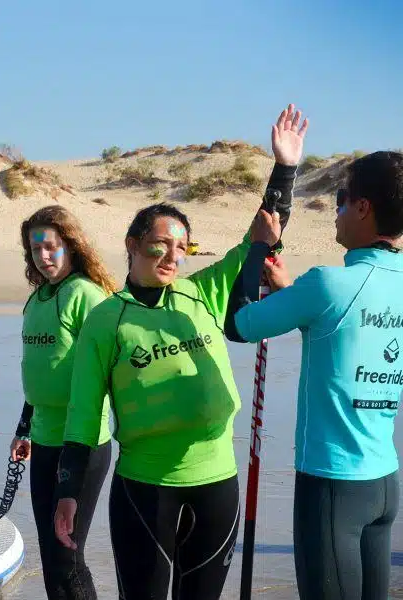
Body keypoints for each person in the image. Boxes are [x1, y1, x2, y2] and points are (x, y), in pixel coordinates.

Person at [53, 104, 308, 600]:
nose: (172, 256)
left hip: (218, 483)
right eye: (159, 244)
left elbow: (264, 234)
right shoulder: (107, 319)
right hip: (145, 491)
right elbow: (83, 418)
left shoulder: (203, 293)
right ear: (132, 244)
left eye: (182, 248)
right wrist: (68, 493)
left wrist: (285, 169)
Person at [225, 150, 403, 600]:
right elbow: (346, 328)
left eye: (342, 199)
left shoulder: (327, 283)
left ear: (364, 207)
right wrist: (291, 296)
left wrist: (258, 246)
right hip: (384, 482)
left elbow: (239, 323)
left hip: (331, 485)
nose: (337, 212)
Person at [9, 205, 116, 600]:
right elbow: (38, 373)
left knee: (65, 555)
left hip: (82, 443)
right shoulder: (37, 300)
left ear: (71, 246)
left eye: (51, 247)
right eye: (36, 250)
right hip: (44, 440)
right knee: (53, 555)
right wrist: (24, 427)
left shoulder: (86, 295)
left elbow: (109, 370)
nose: (44, 256)